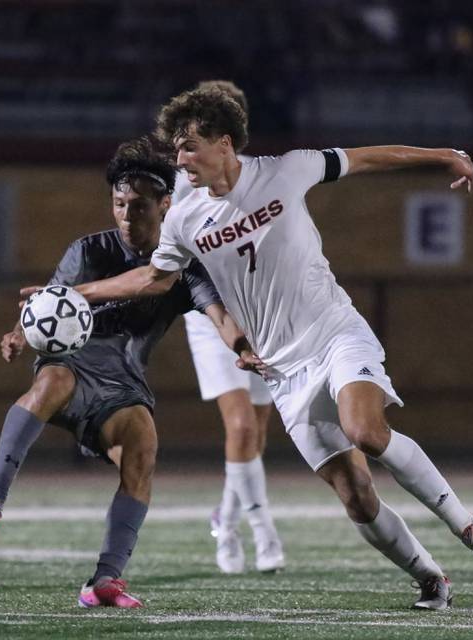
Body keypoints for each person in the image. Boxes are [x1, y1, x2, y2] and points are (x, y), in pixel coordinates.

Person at [74, 86, 473, 610]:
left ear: (225, 143)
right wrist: (77, 293)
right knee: (357, 497)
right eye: (176, 149)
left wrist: (442, 154)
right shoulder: (185, 218)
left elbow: (367, 157)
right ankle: (429, 577)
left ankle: (470, 527)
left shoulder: (285, 170)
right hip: (283, 372)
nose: (181, 160)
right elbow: (152, 278)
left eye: (190, 147)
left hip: (335, 335)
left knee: (366, 431)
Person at [0, 137, 244, 609]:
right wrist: (17, 335)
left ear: (165, 204)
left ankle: (105, 580)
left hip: (122, 385)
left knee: (143, 444)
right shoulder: (89, 251)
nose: (127, 216)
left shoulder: (184, 265)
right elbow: (45, 306)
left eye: (138, 206)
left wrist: (242, 348)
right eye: (118, 204)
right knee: (52, 382)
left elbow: (220, 316)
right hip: (72, 364)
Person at [176, 80, 284, 574]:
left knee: (256, 435)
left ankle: (226, 515)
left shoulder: (256, 176)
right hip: (213, 315)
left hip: (259, 314)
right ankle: (260, 536)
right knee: (240, 426)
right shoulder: (187, 177)